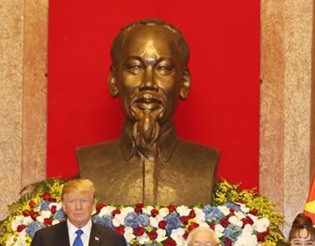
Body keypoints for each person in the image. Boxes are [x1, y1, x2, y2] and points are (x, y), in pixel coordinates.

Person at [76, 18, 219, 206]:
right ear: (113, 80)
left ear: (184, 82)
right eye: (135, 67)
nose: (148, 83)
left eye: (163, 68)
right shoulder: (90, 162)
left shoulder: (204, 162)